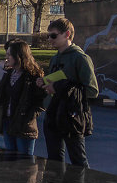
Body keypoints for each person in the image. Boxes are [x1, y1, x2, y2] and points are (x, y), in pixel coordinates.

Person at [37, 17, 98, 168]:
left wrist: (59, 88)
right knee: (54, 160)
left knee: (78, 160)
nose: (50, 39)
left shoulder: (80, 58)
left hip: (72, 115)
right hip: (53, 113)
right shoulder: (55, 59)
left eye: (53, 35)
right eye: (48, 35)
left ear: (67, 34)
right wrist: (44, 83)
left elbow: (92, 90)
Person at [0, 40, 47, 155]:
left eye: (9, 55)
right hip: (7, 122)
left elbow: (40, 101)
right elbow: (0, 97)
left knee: (24, 162)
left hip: (24, 125)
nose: (6, 57)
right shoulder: (8, 73)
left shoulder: (33, 76)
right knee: (10, 160)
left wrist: (29, 116)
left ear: (19, 56)